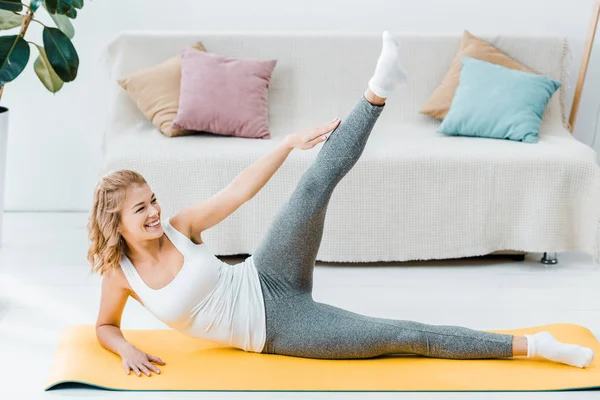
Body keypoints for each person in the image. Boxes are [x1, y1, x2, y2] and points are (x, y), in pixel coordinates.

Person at [89, 31, 594, 378]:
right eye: (142, 210)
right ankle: (536, 345)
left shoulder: (180, 227)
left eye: (153, 199)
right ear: (118, 226)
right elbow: (105, 326)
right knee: (404, 334)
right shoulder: (122, 276)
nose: (155, 211)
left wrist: (286, 144)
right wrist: (126, 347)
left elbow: (238, 193)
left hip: (265, 272)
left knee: (313, 184)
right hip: (278, 327)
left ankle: (378, 89)